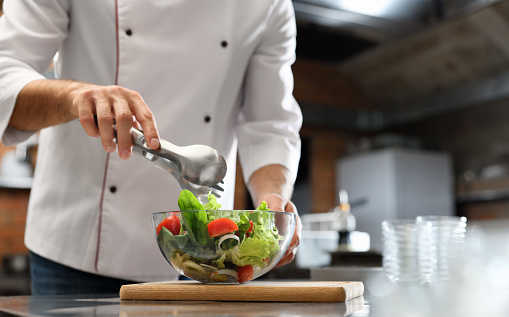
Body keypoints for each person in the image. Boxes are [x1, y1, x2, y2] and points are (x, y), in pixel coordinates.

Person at [0, 0, 302, 295]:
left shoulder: (269, 4)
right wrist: (75, 97)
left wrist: (273, 198)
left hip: (205, 256)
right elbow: (5, 75)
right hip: (77, 248)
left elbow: (271, 125)